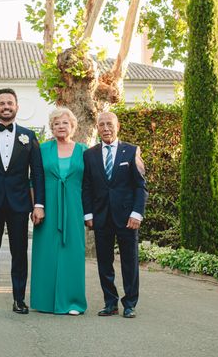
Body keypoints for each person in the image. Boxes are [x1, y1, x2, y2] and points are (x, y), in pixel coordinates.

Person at [0, 88, 45, 314]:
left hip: (19, 203)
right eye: (2, 103)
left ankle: (19, 299)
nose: (6, 106)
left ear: (16, 107)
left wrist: (38, 204)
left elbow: (38, 173)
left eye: (9, 103)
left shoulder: (29, 136)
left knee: (19, 252)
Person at [82, 111, 148, 319]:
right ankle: (110, 302)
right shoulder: (89, 154)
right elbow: (87, 187)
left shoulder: (131, 151)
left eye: (109, 124)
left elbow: (140, 186)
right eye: (101, 124)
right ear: (97, 128)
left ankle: (130, 303)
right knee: (104, 262)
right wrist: (88, 214)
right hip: (101, 217)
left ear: (117, 126)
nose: (105, 128)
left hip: (127, 217)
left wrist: (137, 213)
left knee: (129, 261)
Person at [30, 108, 88, 315]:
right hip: (47, 208)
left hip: (74, 207)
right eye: (56, 124)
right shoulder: (42, 149)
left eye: (64, 123)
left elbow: (90, 183)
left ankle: (73, 302)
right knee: (46, 252)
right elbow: (33, 180)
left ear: (72, 126)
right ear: (52, 127)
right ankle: (44, 301)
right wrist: (36, 206)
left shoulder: (83, 150)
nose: (60, 127)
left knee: (72, 252)